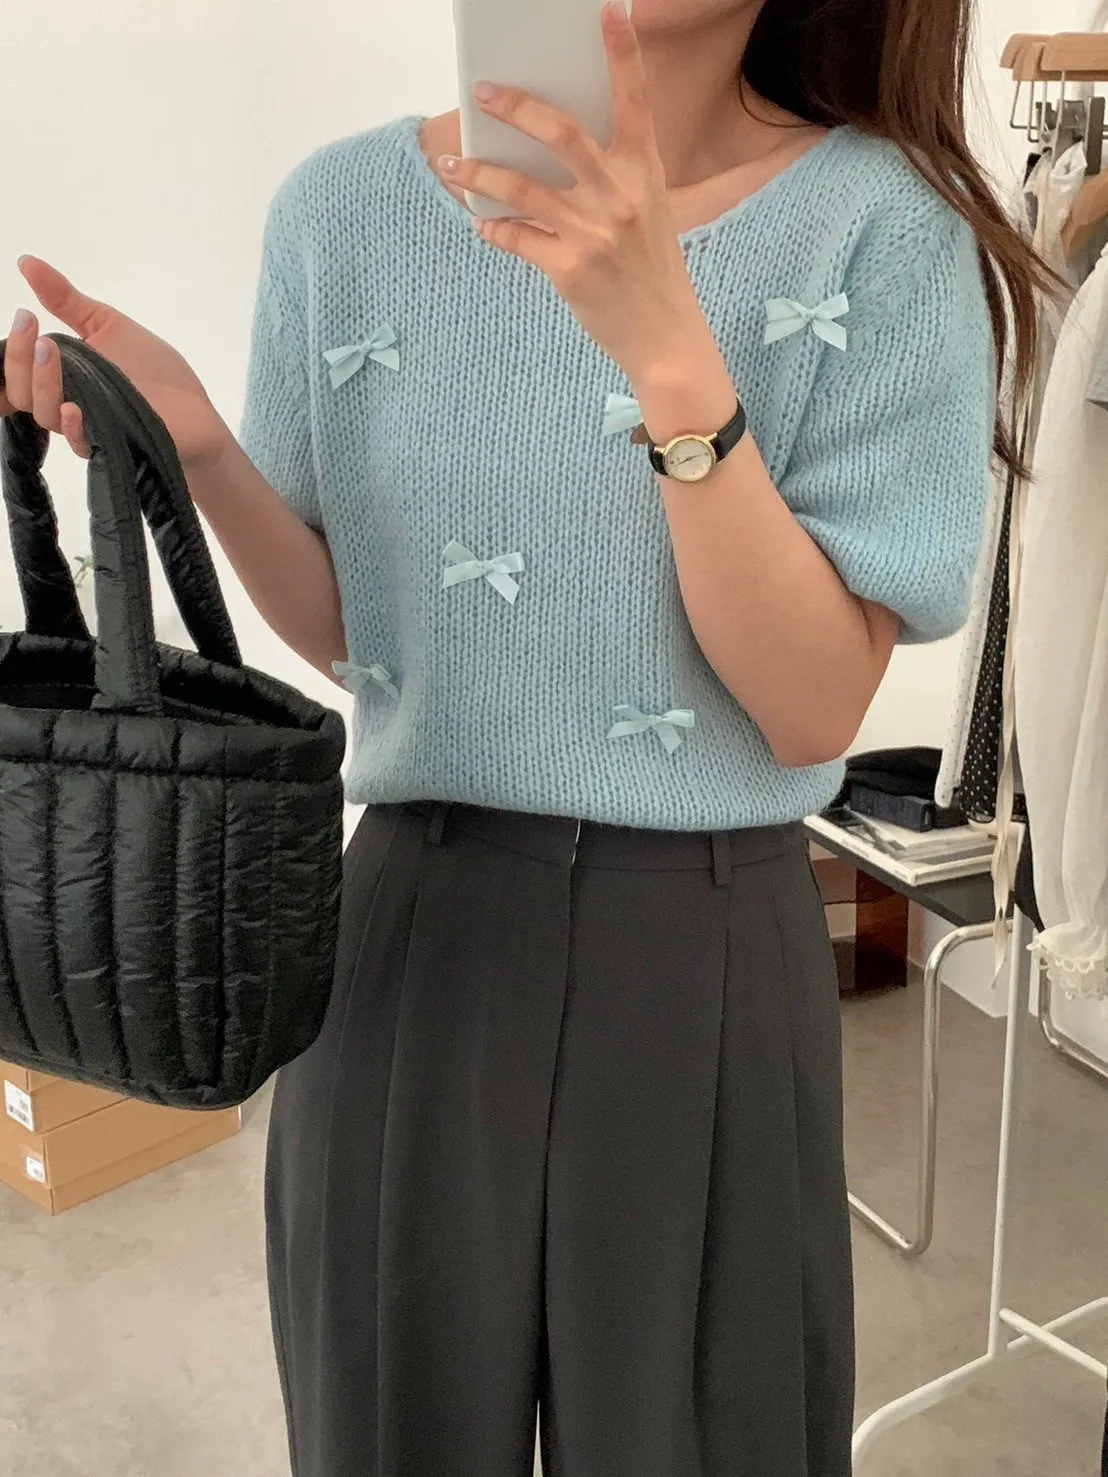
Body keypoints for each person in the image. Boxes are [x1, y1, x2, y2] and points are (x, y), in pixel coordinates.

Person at [2, 1, 1050, 1473]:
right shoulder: (343, 211)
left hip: (707, 947)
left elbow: (813, 706)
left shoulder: (885, 229)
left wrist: (667, 349)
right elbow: (363, 641)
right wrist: (210, 453)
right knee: (390, 1434)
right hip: (410, 931)